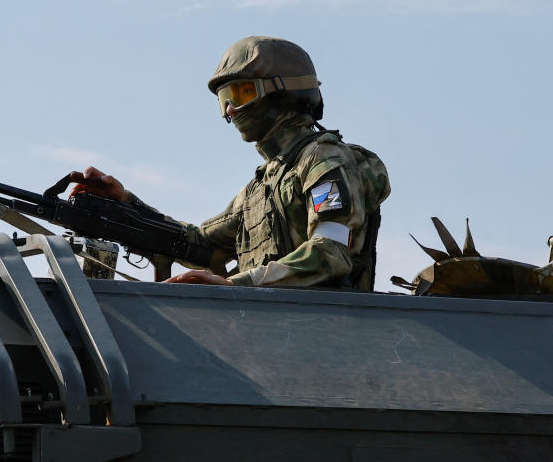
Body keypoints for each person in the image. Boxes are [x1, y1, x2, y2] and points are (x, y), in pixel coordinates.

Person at [69, 36, 390, 289]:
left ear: (283, 92)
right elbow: (199, 244)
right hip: (266, 328)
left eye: (243, 93)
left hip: (326, 331)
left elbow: (331, 254)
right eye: (226, 100)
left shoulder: (323, 159)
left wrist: (235, 284)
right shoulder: (261, 187)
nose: (232, 111)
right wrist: (123, 204)